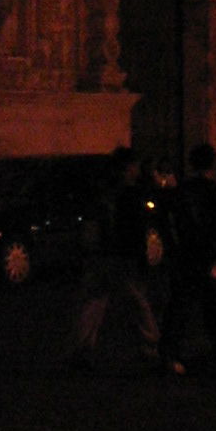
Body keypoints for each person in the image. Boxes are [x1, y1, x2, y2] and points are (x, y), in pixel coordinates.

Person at [69, 147, 161, 369]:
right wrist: (140, 259)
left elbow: (92, 225)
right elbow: (135, 231)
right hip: (123, 256)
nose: (138, 171)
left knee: (94, 302)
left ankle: (83, 349)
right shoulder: (130, 195)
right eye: (135, 167)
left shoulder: (104, 192)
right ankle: (150, 347)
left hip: (102, 255)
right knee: (138, 302)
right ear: (128, 168)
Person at [159, 142, 216, 376]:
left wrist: (172, 251)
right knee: (215, 309)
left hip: (185, 256)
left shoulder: (180, 191)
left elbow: (170, 224)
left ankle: (170, 354)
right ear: (214, 164)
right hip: (208, 257)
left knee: (179, 307)